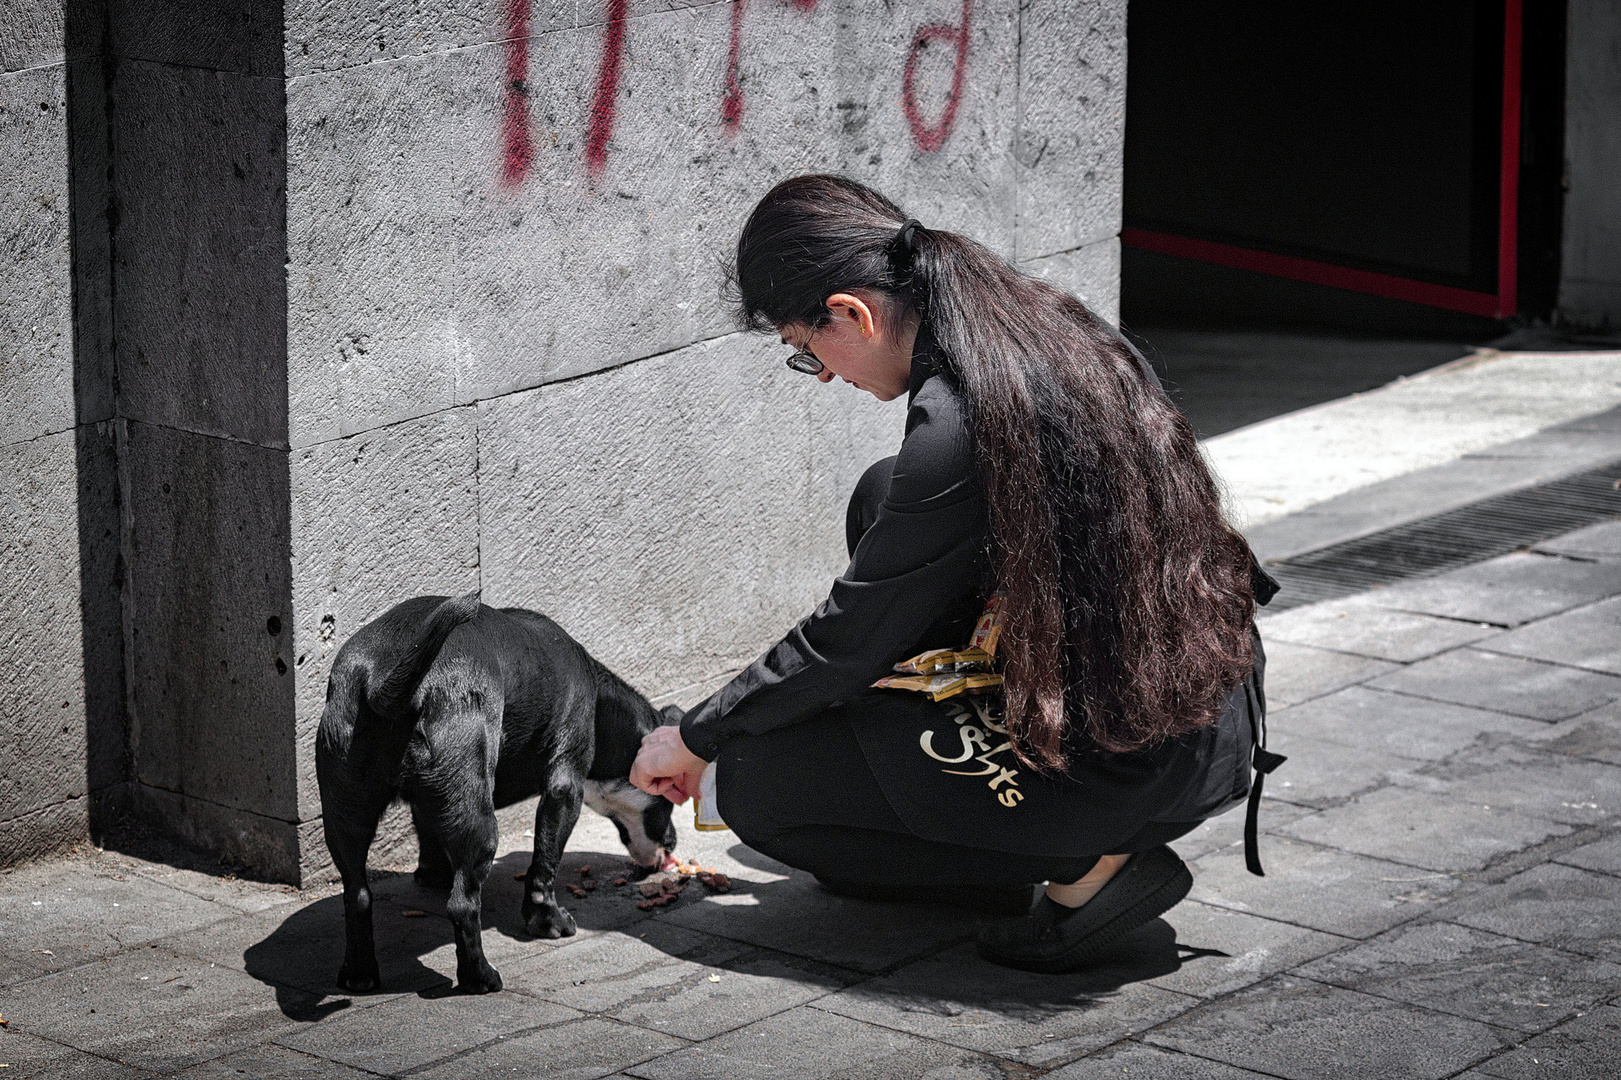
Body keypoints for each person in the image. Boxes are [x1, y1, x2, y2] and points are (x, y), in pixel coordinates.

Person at [629, 175, 1279, 973]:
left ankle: (1089, 867)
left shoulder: (958, 424)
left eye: (806, 351)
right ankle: (997, 832)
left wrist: (696, 734)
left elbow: (848, 639)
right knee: (881, 493)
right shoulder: (1033, 325)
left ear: (852, 313)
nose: (824, 374)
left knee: (751, 784)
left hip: (1132, 756)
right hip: (1205, 710)